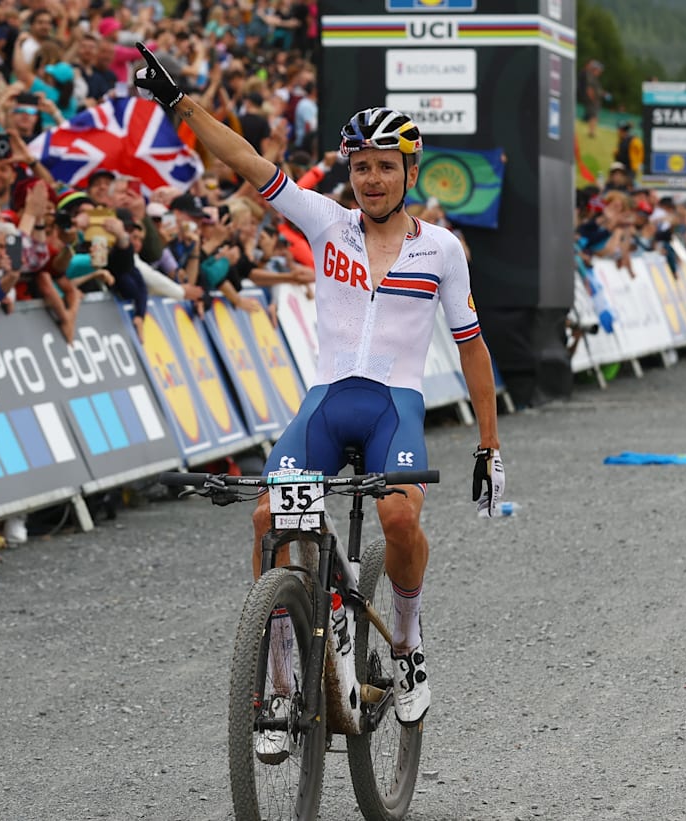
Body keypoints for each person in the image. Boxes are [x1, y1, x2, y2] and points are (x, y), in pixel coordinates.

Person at [135, 47, 507, 735]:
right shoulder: (325, 222)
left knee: (399, 521)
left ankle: (407, 639)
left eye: (384, 166)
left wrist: (489, 442)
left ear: (408, 170)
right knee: (267, 521)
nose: (370, 178)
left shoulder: (442, 251)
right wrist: (180, 103)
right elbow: (246, 160)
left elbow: (471, 346)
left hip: (393, 406)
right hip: (327, 405)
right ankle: (279, 677)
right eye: (360, 166)